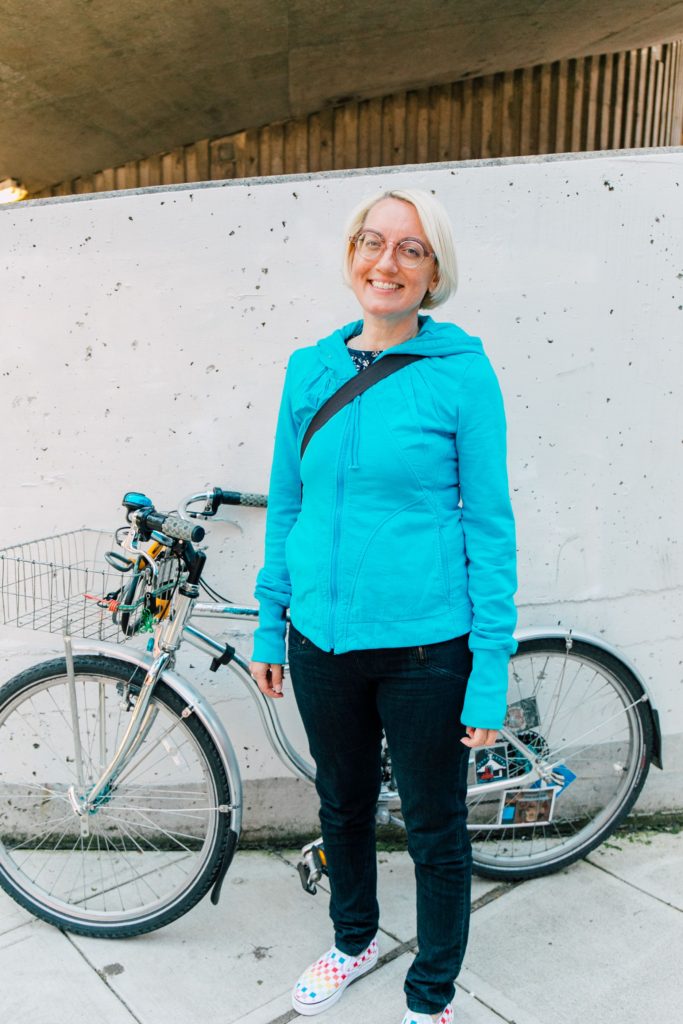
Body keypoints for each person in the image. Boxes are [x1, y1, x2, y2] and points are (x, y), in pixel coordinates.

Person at [249, 187, 518, 1024]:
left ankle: (430, 992)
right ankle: (354, 938)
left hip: (423, 651)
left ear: (433, 270)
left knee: (435, 827)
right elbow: (286, 505)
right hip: (319, 640)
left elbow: (492, 529)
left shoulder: (462, 376)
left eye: (410, 249)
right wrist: (270, 618)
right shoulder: (309, 369)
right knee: (343, 802)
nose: (386, 262)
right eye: (374, 243)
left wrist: (488, 673)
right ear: (351, 255)